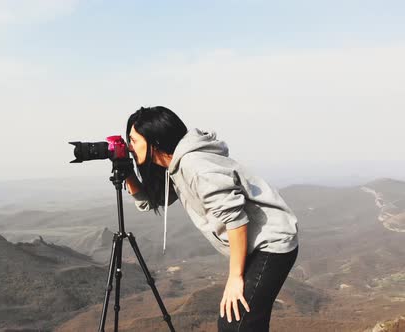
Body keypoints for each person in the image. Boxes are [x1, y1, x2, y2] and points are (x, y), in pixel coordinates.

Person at [124, 106, 299, 332]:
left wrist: (235, 278)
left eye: (133, 140)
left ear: (154, 141)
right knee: (239, 323)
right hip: (256, 245)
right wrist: (128, 174)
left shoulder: (195, 166)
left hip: (272, 243)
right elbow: (153, 201)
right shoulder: (175, 166)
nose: (129, 147)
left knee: (236, 324)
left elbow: (235, 220)